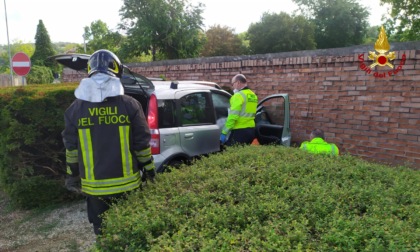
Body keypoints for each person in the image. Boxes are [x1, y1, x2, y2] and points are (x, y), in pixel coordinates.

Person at [62, 49, 156, 235]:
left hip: (94, 189)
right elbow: (142, 145)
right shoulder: (130, 105)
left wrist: (71, 175)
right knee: (129, 230)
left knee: (103, 232)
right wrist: (150, 170)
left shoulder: (75, 109)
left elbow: (71, 149)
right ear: (117, 72)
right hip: (127, 186)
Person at [220, 74, 258, 146]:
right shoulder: (253, 95)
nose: (233, 86)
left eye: (233, 84)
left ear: (238, 83)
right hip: (251, 130)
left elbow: (233, 116)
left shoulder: (238, 96)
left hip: (240, 131)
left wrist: (224, 132)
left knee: (230, 152)